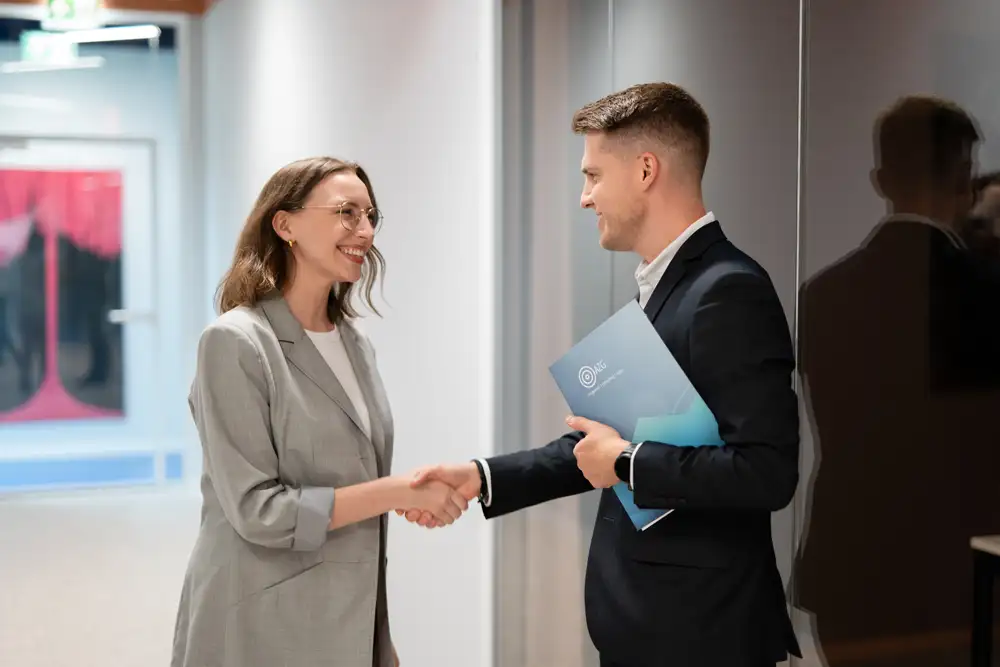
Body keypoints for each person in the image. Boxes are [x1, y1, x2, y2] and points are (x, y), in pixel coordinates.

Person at [401, 83, 801, 667]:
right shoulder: (670, 287)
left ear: (645, 170)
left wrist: (626, 462)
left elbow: (765, 472)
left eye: (593, 176)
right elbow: (602, 446)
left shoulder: (728, 290)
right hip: (654, 631)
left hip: (700, 637)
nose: (584, 198)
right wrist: (480, 476)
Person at [171, 157, 469, 667]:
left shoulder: (354, 343)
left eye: (370, 215)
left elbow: (356, 481)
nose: (365, 231)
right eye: (346, 212)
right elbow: (257, 510)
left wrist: (377, 637)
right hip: (258, 617)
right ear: (285, 224)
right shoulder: (235, 342)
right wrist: (399, 491)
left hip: (346, 619)